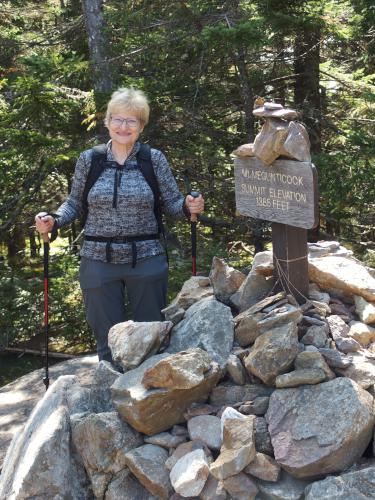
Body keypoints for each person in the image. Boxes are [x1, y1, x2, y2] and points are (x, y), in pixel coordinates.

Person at [35, 87, 204, 363]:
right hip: (98, 261)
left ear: (141, 126)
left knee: (150, 339)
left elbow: (173, 203)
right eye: (118, 119)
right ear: (107, 121)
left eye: (132, 120)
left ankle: (147, 402)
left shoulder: (153, 159)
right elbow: (75, 204)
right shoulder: (90, 159)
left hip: (147, 259)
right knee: (107, 342)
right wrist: (53, 221)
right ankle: (110, 401)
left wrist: (189, 207)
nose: (123, 126)